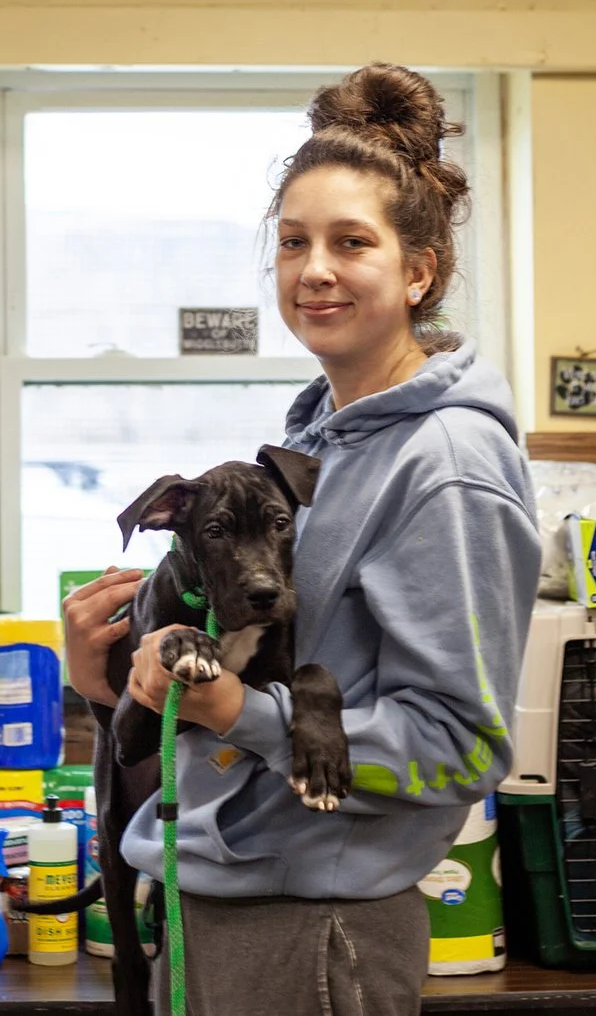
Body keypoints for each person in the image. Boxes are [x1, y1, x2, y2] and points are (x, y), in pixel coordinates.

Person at [64, 63, 542, 1014]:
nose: (313, 269)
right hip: (219, 900)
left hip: (314, 929)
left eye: (350, 242)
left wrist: (236, 710)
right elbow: (263, 670)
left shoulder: (443, 462)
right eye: (293, 242)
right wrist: (108, 677)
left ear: (418, 271)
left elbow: (460, 744)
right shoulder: (315, 445)